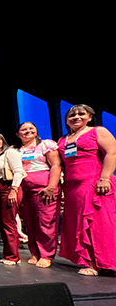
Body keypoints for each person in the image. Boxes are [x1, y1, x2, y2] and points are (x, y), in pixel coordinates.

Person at [58, 104, 116, 276]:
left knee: (97, 224)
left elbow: (111, 153)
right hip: (72, 187)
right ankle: (89, 261)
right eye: (72, 115)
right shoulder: (63, 139)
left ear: (90, 117)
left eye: (81, 114)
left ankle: (102, 262)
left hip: (94, 183)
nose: (76, 117)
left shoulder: (97, 131)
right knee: (79, 225)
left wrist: (104, 178)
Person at [14, 122, 61, 268]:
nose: (27, 131)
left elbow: (55, 165)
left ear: (36, 130)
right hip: (24, 189)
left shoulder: (45, 145)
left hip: (44, 187)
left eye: (31, 128)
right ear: (18, 134)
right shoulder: (16, 150)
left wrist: (51, 186)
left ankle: (46, 255)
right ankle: (35, 252)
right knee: (30, 222)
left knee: (45, 221)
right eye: (23, 129)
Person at [0, 133, 26, 265]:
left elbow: (18, 172)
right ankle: (8, 253)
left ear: (2, 141)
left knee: (9, 223)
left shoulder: (10, 152)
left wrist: (13, 190)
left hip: (7, 188)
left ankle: (13, 256)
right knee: (1, 224)